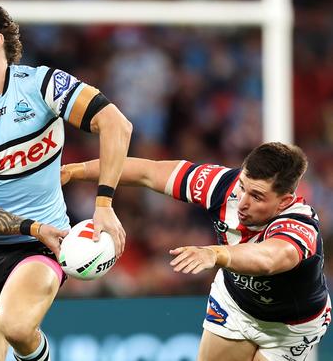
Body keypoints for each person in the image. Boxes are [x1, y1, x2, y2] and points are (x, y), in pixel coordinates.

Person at [0, 0, 132, 361]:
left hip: (45, 245)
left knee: (17, 326)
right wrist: (35, 227)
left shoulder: (43, 86)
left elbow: (116, 123)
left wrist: (104, 205)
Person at [61, 142, 330, 361]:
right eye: (243, 187)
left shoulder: (299, 226)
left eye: (257, 196)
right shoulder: (222, 185)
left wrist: (216, 254)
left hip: (289, 327)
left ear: (284, 201)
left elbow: (269, 259)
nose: (243, 203)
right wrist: (76, 170)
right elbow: (148, 172)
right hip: (236, 305)